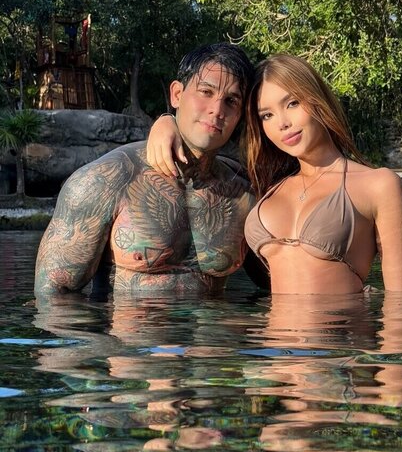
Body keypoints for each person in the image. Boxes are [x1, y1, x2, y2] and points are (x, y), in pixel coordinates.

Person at [147, 54, 402, 294]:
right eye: (267, 115)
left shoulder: (378, 184)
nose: (283, 123)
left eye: (292, 103)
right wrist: (166, 120)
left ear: (317, 99)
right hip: (267, 336)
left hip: (339, 336)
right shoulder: (267, 186)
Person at [35, 43, 255, 296]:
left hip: (217, 323)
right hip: (128, 321)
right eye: (206, 91)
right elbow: (52, 296)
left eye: (231, 101)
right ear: (177, 94)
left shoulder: (244, 192)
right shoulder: (104, 181)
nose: (217, 110)